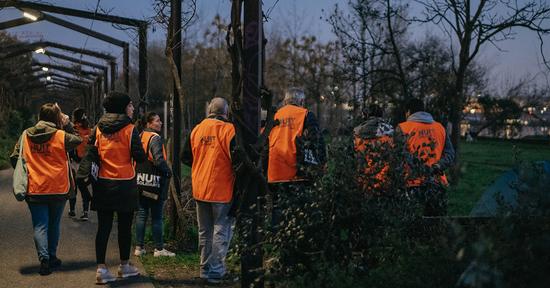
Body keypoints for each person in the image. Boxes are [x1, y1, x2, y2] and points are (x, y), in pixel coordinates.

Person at [10, 103, 82, 276]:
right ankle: (52, 256)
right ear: (57, 118)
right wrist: (67, 124)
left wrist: (29, 170)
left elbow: (14, 157)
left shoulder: (26, 135)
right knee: (54, 224)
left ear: (39, 116)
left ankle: (44, 260)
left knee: (40, 225)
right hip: (58, 187)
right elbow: (78, 140)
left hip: (35, 188)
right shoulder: (61, 135)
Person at [89, 92, 147, 284]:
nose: (132, 108)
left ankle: (101, 269)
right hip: (125, 183)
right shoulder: (130, 129)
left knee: (103, 227)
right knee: (124, 227)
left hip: (103, 183)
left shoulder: (98, 128)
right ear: (123, 107)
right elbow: (139, 156)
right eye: (130, 105)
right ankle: (124, 266)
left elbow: (92, 153)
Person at [181, 97, 238, 284]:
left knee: (204, 231)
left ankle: (204, 269)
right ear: (226, 112)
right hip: (221, 187)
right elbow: (237, 161)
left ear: (209, 111)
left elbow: (185, 157)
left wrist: (201, 166)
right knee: (221, 229)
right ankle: (216, 271)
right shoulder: (229, 130)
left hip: (200, 187)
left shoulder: (197, 129)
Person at [267, 88, 326, 226]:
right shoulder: (306, 115)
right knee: (299, 211)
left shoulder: (274, 116)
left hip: (275, 172)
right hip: (297, 172)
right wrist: (321, 163)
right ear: (301, 101)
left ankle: (276, 242)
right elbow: (316, 141)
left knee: (277, 211)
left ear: (285, 101)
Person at [397, 98, 455, 216]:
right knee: (436, 224)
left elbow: (397, 156)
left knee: (412, 226)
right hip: (437, 183)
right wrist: (438, 165)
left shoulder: (402, 128)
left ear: (408, 112)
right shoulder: (440, 128)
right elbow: (450, 154)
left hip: (411, 184)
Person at [134, 112, 175, 257]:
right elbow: (158, 159)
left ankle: (139, 248)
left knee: (141, 214)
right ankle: (159, 249)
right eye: (157, 121)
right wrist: (167, 171)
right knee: (157, 216)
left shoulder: (140, 136)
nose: (161, 123)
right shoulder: (155, 138)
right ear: (149, 124)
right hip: (153, 182)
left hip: (140, 180)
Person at [353, 104, 394, 194]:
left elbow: (356, 156)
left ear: (366, 115)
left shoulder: (357, 132)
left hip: (364, 179)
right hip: (384, 178)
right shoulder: (389, 131)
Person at [68, 108, 93, 221]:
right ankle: (85, 212)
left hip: (73, 162)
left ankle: (72, 210)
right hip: (85, 162)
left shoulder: (73, 129)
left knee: (73, 186)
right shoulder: (89, 130)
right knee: (83, 186)